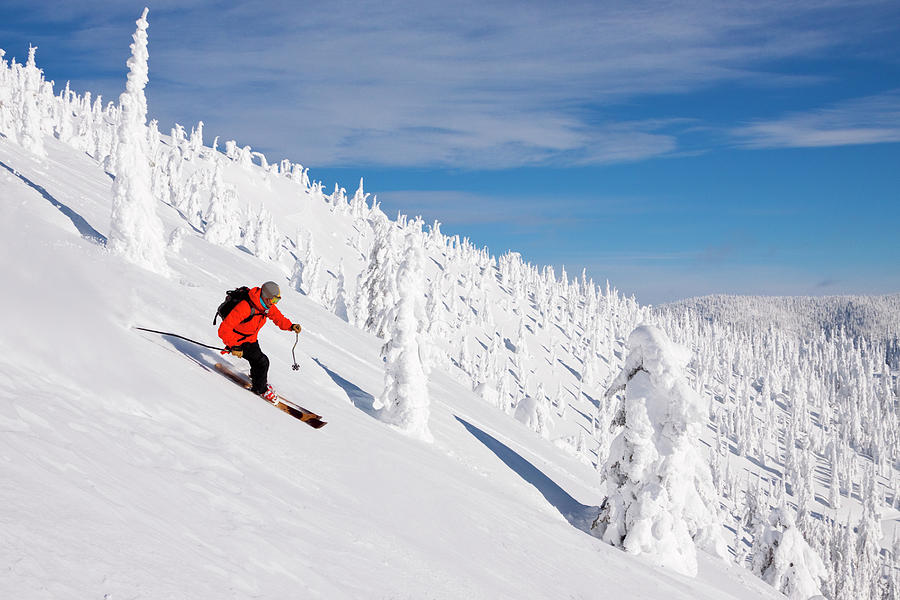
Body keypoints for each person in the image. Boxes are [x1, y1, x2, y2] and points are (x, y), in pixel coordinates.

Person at [217, 281, 301, 401]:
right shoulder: (245, 307)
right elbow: (224, 329)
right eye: (274, 300)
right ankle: (260, 389)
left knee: (257, 361)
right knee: (262, 362)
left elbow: (278, 318)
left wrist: (291, 326)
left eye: (277, 301)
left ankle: (258, 379)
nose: (274, 304)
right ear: (266, 297)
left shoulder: (266, 307)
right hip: (238, 340)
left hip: (251, 338)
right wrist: (234, 346)